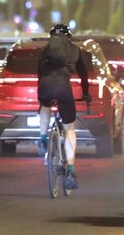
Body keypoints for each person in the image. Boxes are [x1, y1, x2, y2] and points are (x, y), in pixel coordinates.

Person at [36, 24, 91, 189]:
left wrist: (42, 92)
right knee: (70, 130)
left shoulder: (44, 50)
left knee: (45, 106)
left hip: (45, 88)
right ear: (69, 37)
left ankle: (42, 139)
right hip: (64, 91)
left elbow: (39, 74)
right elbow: (84, 75)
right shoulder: (75, 51)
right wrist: (86, 94)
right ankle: (71, 170)